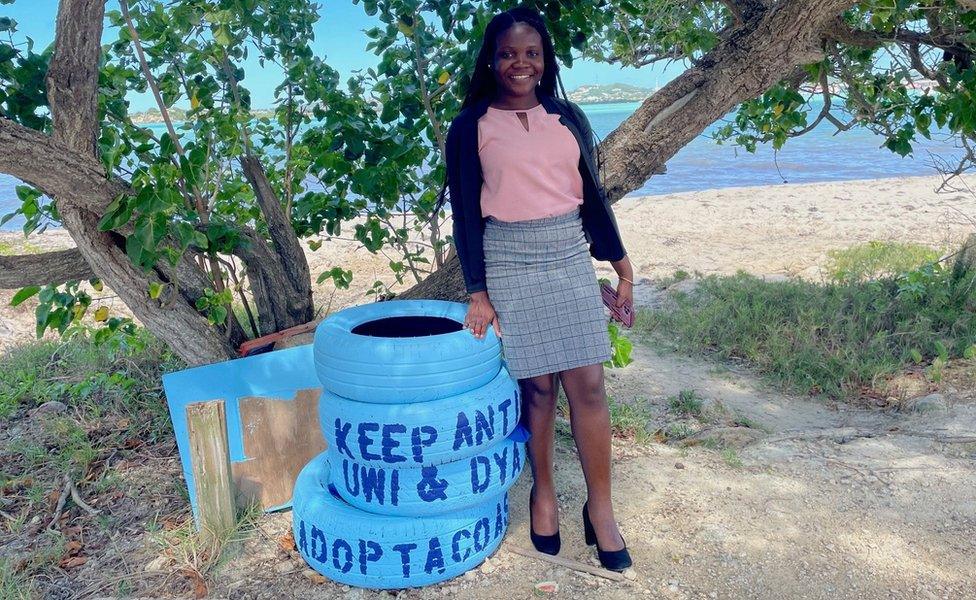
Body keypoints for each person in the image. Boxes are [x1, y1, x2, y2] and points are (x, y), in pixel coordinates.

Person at [441, 7, 635, 572]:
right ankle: (543, 494)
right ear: (491, 59)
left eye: (530, 53)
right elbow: (465, 217)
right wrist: (477, 290)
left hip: (569, 254)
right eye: (507, 53)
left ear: (545, 59)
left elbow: (592, 199)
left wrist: (620, 267)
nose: (519, 63)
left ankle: (601, 509)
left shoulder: (568, 116)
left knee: (590, 389)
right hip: (509, 259)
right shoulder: (470, 125)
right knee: (539, 393)